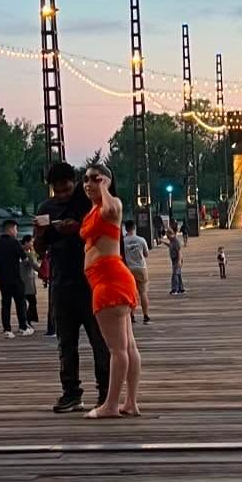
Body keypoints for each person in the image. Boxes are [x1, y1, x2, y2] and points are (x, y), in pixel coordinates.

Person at [35, 160, 110, 413]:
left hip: (90, 281)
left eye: (66, 188)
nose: (62, 195)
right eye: (57, 190)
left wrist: (77, 229)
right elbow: (40, 250)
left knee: (99, 340)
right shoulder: (46, 209)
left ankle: (105, 391)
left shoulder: (87, 204)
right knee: (66, 342)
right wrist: (40, 235)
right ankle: (71, 392)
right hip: (61, 282)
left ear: (74, 183)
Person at [80, 163, 141, 418]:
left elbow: (112, 209)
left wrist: (104, 186)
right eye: (86, 179)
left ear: (105, 181)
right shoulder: (94, 209)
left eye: (94, 179)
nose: (88, 183)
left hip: (109, 280)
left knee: (118, 349)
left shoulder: (111, 204)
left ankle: (111, 404)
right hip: (110, 279)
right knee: (128, 346)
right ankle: (131, 402)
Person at [0, 217, 32, 337]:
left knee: (5, 304)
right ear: (11, 229)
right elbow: (25, 260)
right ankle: (23, 327)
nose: (16, 232)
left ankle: (7, 329)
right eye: (16, 229)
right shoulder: (15, 243)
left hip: (3, 279)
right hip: (16, 278)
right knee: (20, 303)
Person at [122, 220, 152, 322]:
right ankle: (145, 315)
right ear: (134, 227)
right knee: (143, 292)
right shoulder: (141, 240)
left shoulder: (123, 241)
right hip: (140, 268)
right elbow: (146, 254)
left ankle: (132, 315)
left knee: (131, 293)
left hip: (128, 269)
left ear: (126, 228)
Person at [19, 234, 40, 325]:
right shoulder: (27, 253)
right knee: (32, 302)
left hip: (24, 281)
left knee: (25, 302)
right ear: (26, 242)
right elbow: (34, 264)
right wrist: (43, 272)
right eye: (31, 242)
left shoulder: (21, 251)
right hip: (26, 281)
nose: (32, 244)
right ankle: (28, 319)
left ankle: (27, 320)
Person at [168, 223, 186, 296]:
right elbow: (170, 246)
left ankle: (175, 289)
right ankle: (181, 289)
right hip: (174, 260)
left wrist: (179, 261)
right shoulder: (172, 240)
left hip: (177, 259)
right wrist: (163, 242)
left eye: (167, 235)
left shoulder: (175, 240)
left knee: (175, 274)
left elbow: (179, 251)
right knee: (178, 274)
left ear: (170, 234)